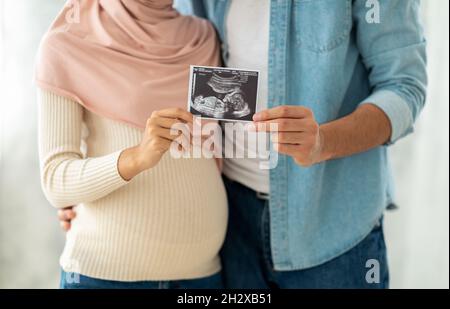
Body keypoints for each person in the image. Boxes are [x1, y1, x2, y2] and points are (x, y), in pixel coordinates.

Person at [60, 0, 427, 288]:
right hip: (230, 229)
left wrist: (324, 142)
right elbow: (158, 79)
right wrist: (91, 185)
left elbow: (405, 87)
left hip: (330, 230)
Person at [36, 0, 228, 289]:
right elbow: (55, 178)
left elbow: (213, 145)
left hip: (203, 276)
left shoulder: (203, 37)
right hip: (105, 278)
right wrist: (137, 157)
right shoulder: (67, 42)